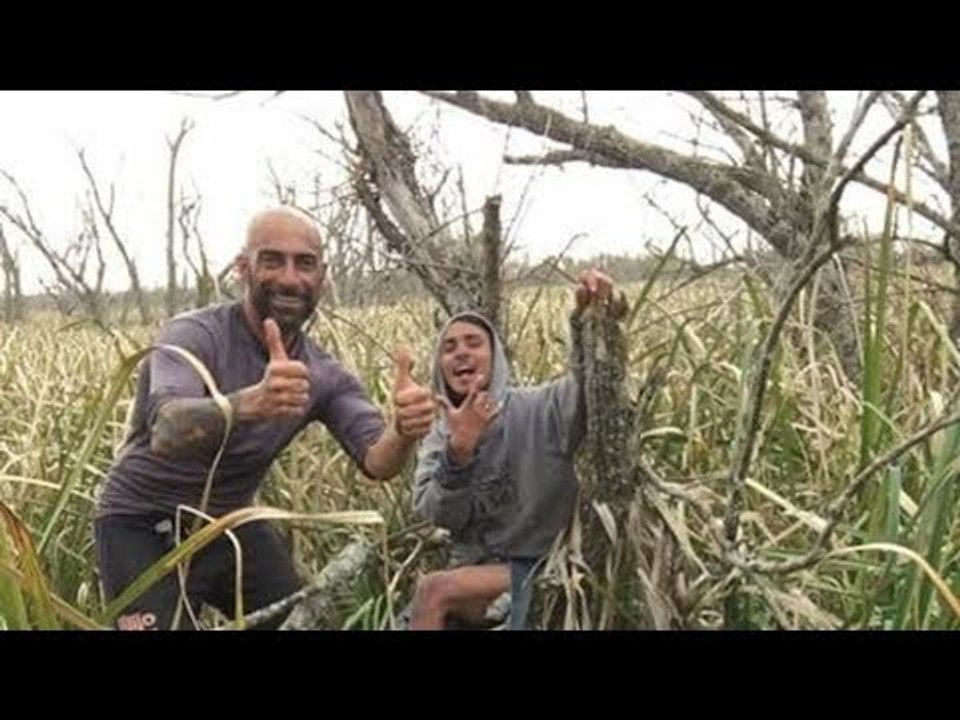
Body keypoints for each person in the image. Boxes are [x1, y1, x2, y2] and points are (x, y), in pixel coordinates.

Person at [94, 206, 435, 630]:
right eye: (272, 260)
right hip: (139, 522)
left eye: (304, 264)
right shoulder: (194, 335)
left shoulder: (323, 374)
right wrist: (251, 402)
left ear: (322, 276)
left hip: (229, 524)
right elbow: (166, 429)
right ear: (243, 268)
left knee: (301, 621)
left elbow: (378, 462)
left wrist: (403, 431)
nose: (290, 279)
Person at [408, 268, 614, 630]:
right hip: (476, 574)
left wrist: (588, 320)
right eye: (449, 347)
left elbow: (588, 387)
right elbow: (439, 514)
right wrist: (458, 455)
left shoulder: (540, 408)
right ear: (440, 366)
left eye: (473, 343)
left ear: (496, 357)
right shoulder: (440, 434)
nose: (461, 353)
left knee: (434, 590)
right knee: (431, 597)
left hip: (544, 567)